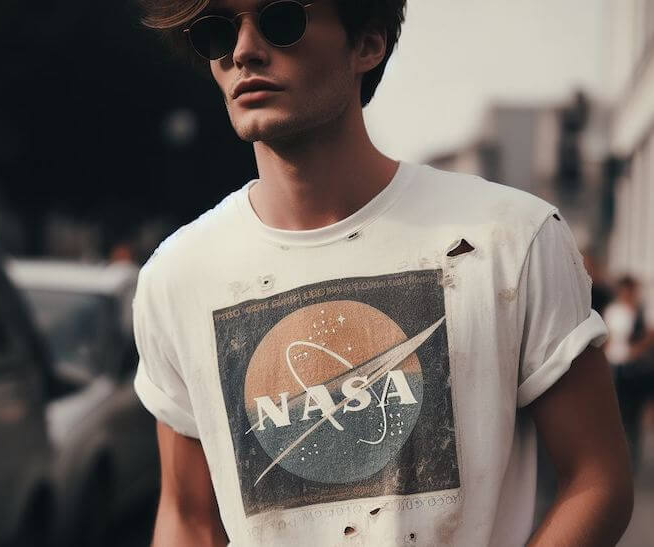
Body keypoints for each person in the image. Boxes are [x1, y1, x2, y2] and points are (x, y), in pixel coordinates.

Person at [131, 1, 633, 545]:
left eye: (281, 20)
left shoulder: (510, 238)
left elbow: (597, 477)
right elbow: (187, 517)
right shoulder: (177, 276)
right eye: (217, 32)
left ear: (367, 44)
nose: (244, 51)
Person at [603, 275, 654, 469]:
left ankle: (631, 457)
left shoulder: (642, 311)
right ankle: (620, 455)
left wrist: (636, 350)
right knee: (618, 412)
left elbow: (650, 335)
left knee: (633, 414)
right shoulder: (613, 311)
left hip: (635, 367)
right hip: (615, 365)